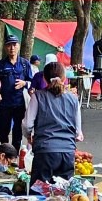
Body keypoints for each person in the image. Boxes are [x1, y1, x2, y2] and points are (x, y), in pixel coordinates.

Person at [25, 61, 83, 189]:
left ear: (44, 78)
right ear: (64, 78)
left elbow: (27, 124)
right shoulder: (73, 99)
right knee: (64, 196)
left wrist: (29, 136)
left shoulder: (37, 96)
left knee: (39, 193)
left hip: (44, 152)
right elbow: (78, 133)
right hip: (67, 153)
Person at [0, 34, 32, 152]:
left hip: (20, 103)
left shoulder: (25, 64)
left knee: (17, 131)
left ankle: (13, 154)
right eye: (9, 45)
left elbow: (31, 82)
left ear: (18, 46)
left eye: (14, 45)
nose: (12, 48)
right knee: (3, 130)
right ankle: (5, 150)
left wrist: (24, 83)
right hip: (4, 103)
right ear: (5, 47)